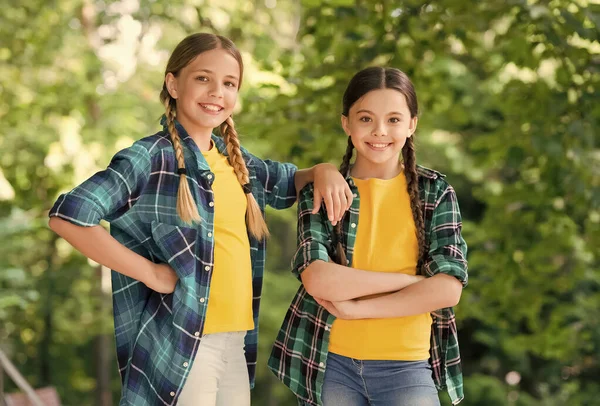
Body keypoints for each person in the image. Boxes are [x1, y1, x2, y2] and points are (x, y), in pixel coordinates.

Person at [48, 32, 351, 406]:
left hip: (236, 342)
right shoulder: (150, 157)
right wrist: (151, 273)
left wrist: (323, 170)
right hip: (184, 345)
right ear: (173, 83)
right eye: (203, 79)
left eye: (229, 83)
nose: (216, 92)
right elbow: (69, 216)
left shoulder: (235, 162)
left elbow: (289, 181)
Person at [269, 66, 468, 406]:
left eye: (393, 119)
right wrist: (410, 282)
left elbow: (448, 289)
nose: (379, 131)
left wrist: (357, 311)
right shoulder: (323, 192)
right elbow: (319, 279)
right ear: (346, 123)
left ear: (411, 124)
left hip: (408, 367)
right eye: (365, 119)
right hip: (331, 366)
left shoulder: (434, 193)